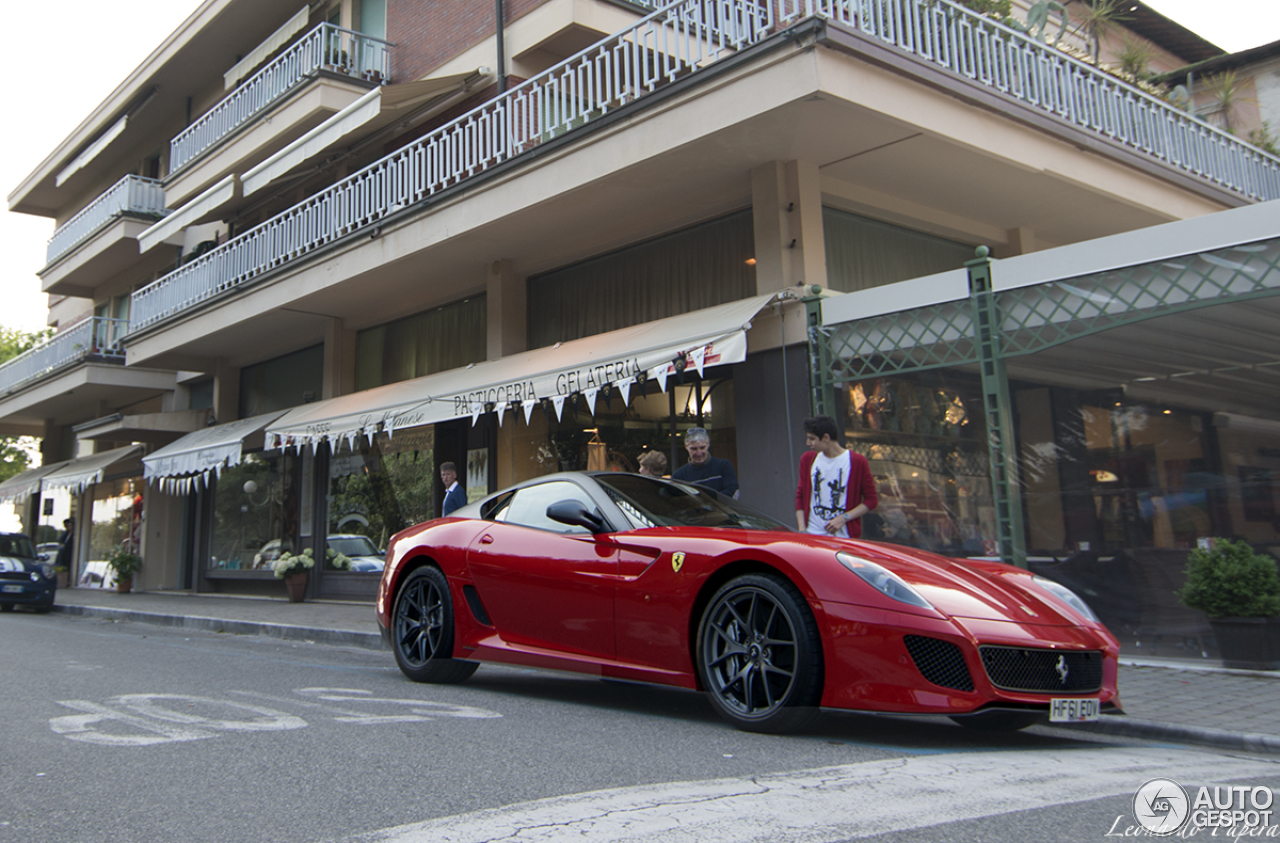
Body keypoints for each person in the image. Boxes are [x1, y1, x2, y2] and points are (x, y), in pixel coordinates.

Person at [795, 415, 878, 538]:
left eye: (812, 439)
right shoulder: (807, 460)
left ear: (826, 437)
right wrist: (802, 529)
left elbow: (871, 500)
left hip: (844, 537)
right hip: (812, 536)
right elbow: (800, 496)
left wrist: (844, 518)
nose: (808, 443)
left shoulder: (857, 462)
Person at [672, 428, 739, 498]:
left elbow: (732, 490)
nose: (699, 453)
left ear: (708, 444)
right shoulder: (679, 476)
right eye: (694, 449)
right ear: (686, 446)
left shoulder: (723, 466)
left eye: (702, 448)